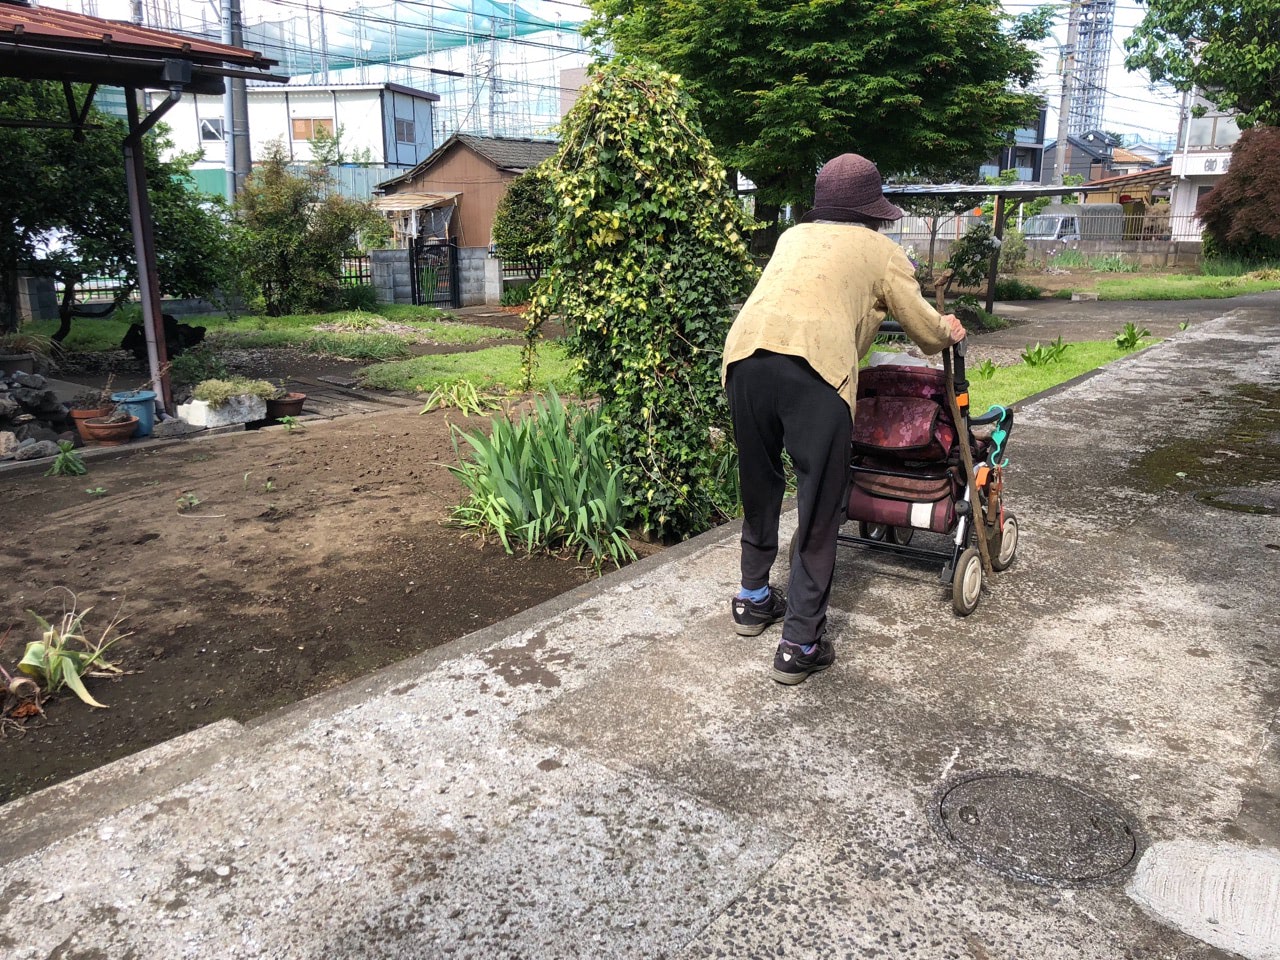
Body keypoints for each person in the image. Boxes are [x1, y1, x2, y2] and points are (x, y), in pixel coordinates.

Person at [721, 153, 966, 685]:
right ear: (872, 212)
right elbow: (925, 333)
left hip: (743, 358)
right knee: (820, 501)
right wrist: (948, 329)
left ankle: (753, 598)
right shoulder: (881, 251)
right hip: (814, 368)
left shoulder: (793, 237)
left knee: (759, 482)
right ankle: (800, 642)